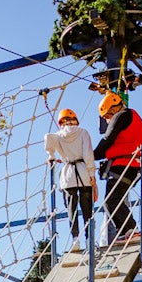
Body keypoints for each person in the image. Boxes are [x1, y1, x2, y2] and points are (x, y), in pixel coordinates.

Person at [94, 91, 142, 243]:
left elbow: (107, 140)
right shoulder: (130, 117)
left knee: (111, 200)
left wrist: (90, 156)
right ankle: (125, 231)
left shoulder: (122, 116)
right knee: (112, 200)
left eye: (107, 117)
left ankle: (130, 229)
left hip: (124, 165)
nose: (108, 120)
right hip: (132, 165)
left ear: (113, 109)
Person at [44, 108, 98, 252]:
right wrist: (92, 175)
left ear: (61, 122)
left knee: (71, 209)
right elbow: (88, 155)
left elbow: (47, 137)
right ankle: (89, 239)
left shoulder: (58, 135)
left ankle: (76, 239)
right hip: (83, 173)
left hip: (68, 176)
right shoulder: (83, 133)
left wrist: (51, 155)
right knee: (87, 210)